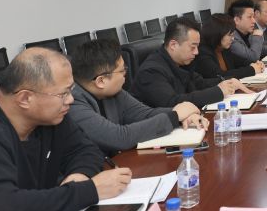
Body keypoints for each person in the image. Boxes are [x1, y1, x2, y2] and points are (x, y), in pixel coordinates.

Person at [0, 48, 132, 211]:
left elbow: (86, 150)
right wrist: (88, 191)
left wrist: (79, 176)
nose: (71, 100)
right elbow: (4, 208)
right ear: (25, 98)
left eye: (71, 90)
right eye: (63, 93)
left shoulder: (50, 118)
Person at [69, 40, 208, 156]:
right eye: (122, 70)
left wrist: (184, 116)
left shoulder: (113, 92)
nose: (125, 74)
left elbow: (145, 114)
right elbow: (119, 137)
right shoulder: (72, 102)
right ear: (101, 81)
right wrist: (174, 116)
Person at [132, 18, 251, 108]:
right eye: (192, 47)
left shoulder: (180, 62)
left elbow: (199, 83)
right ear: (173, 45)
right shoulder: (152, 71)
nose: (197, 52)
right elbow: (172, 103)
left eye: (197, 46)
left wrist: (227, 82)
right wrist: (219, 91)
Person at [189, 13, 265, 80]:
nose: (233, 38)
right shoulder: (202, 53)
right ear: (217, 34)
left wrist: (255, 64)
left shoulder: (223, 49)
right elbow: (220, 76)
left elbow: (240, 61)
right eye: (230, 35)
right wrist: (252, 69)